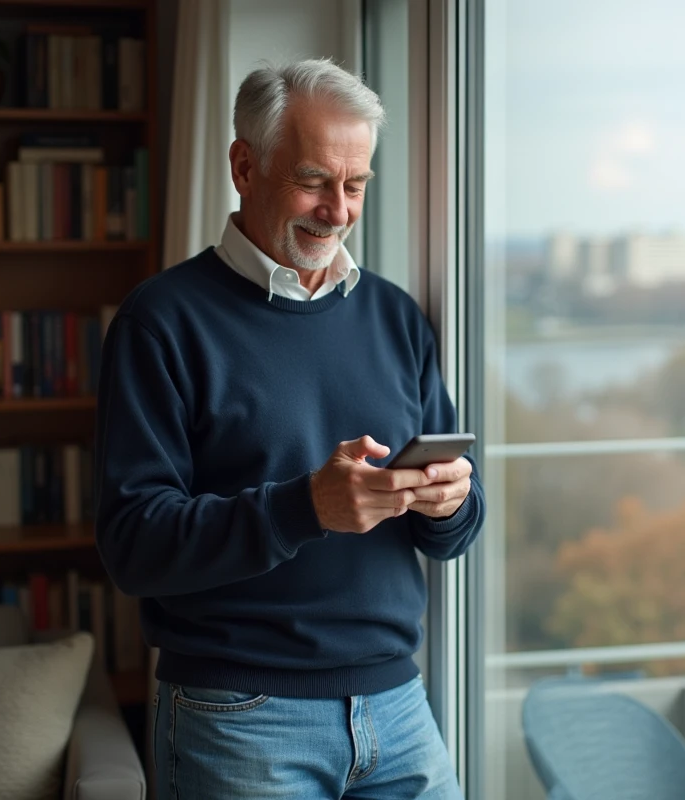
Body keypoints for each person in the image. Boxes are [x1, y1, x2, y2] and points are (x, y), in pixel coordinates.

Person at [94, 59, 485, 800]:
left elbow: (458, 528)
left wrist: (450, 502)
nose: (337, 211)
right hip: (238, 718)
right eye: (313, 180)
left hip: (399, 710)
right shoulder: (161, 322)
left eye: (356, 185)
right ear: (245, 166)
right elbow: (133, 547)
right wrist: (305, 507)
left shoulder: (397, 317)